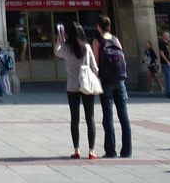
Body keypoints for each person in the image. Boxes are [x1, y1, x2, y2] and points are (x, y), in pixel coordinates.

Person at [55, 21, 100, 160]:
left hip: (72, 86)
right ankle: (91, 151)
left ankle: (77, 150)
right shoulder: (87, 47)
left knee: (75, 118)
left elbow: (56, 51)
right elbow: (95, 68)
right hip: (87, 85)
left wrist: (59, 37)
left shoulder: (67, 48)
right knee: (90, 117)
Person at [93, 15, 132, 159]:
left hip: (106, 81)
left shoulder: (97, 41)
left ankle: (111, 151)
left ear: (99, 26)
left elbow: (96, 63)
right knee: (124, 115)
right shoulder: (116, 39)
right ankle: (127, 151)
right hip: (120, 81)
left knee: (108, 116)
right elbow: (123, 60)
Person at [158, 31, 170, 99]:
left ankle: (169, 91)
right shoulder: (162, 44)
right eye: (169, 36)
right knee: (169, 78)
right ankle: (169, 93)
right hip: (166, 64)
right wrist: (167, 62)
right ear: (165, 37)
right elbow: (161, 53)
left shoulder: (167, 44)